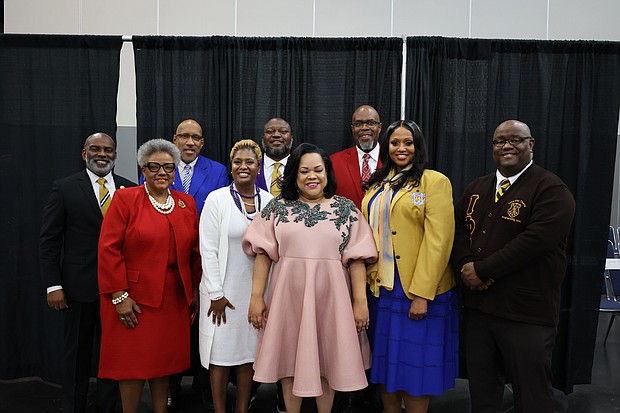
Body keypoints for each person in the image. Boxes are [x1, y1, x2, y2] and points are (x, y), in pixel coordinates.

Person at [243, 143, 378, 413]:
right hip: (287, 299)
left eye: (318, 170)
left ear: (327, 173)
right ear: (294, 175)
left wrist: (360, 302)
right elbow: (263, 255)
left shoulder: (346, 209)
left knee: (327, 364)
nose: (311, 176)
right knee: (289, 362)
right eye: (304, 171)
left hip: (332, 299)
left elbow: (357, 260)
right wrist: (257, 297)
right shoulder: (277, 209)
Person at [452, 119, 576, 413]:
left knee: (533, 396)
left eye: (516, 139)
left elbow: (533, 243)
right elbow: (456, 232)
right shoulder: (476, 188)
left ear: (531, 145)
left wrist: (482, 270)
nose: (507, 145)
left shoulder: (551, 190)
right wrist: (466, 264)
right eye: (499, 141)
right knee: (482, 394)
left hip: (526, 314)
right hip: (479, 311)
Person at [98, 139, 202, 413]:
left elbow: (195, 251)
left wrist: (194, 291)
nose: (162, 173)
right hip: (132, 299)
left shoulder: (186, 203)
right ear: (143, 169)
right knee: (130, 367)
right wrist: (119, 296)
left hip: (172, 298)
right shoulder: (125, 199)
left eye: (169, 167)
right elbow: (108, 249)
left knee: (163, 364)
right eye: (154, 166)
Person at [361, 120, 459, 413]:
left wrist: (422, 294)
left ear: (418, 146)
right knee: (385, 368)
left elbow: (439, 241)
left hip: (417, 290)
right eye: (395, 143)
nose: (401, 148)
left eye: (408, 142)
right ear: (386, 146)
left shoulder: (434, 181)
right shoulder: (378, 183)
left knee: (415, 371)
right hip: (380, 290)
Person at [39, 132, 134, 413]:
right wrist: (53, 286)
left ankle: (109, 406)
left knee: (113, 354)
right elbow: (49, 241)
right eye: (95, 149)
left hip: (119, 290)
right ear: (84, 154)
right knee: (78, 355)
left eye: (108, 150)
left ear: (115, 155)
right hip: (78, 288)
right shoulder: (65, 188)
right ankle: (73, 406)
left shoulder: (129, 191)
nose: (102, 154)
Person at [198, 139, 273, 413]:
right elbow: (207, 249)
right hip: (223, 293)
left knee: (247, 355)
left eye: (250, 162)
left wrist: (266, 296)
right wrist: (216, 294)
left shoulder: (270, 202)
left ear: (258, 167)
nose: (243, 167)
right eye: (238, 162)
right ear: (231, 167)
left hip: (256, 293)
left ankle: (242, 408)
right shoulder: (216, 199)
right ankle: (220, 409)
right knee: (220, 355)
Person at [160, 118, 228, 407]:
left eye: (196, 137)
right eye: (184, 136)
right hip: (168, 261)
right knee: (172, 328)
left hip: (205, 259)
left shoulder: (218, 171)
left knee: (205, 326)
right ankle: (170, 387)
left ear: (202, 142)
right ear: (174, 139)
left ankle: (203, 390)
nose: (189, 142)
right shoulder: (160, 169)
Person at [253, 117, 294, 411]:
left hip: (294, 269)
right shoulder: (248, 166)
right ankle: (253, 387)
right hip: (256, 264)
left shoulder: (302, 168)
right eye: (271, 132)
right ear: (262, 137)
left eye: (282, 131)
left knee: (290, 330)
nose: (276, 135)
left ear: (291, 137)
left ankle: (285, 392)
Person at [331, 104, 383, 208]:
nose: (364, 128)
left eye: (371, 123)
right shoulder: (334, 162)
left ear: (379, 127)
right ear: (352, 129)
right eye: (358, 124)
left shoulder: (392, 159)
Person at [255, 117, 293, 198]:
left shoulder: (300, 167)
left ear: (291, 139)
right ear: (262, 139)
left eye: (283, 131)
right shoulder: (251, 167)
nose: (276, 135)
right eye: (269, 132)